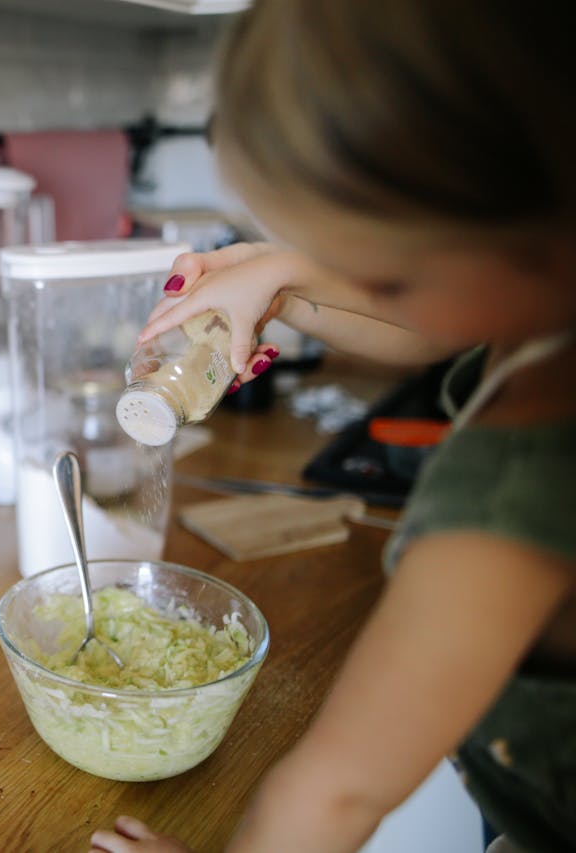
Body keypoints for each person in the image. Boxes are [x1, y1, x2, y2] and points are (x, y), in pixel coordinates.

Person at [91, 2, 576, 852]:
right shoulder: (543, 301)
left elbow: (336, 793)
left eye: (375, 271)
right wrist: (285, 283)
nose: (354, 283)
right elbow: (444, 319)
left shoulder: (513, 491)